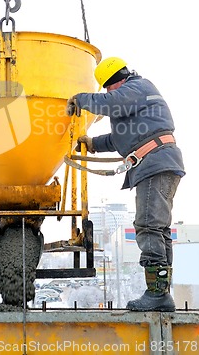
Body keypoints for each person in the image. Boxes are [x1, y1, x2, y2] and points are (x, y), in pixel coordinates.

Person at [66, 56, 185, 312]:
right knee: (159, 228)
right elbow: (121, 139)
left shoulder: (138, 87)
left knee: (148, 226)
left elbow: (112, 103)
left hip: (156, 163)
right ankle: (160, 292)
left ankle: (157, 294)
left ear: (114, 82)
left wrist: (81, 99)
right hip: (158, 163)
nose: (107, 93)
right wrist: (93, 144)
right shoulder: (135, 101)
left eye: (107, 88)